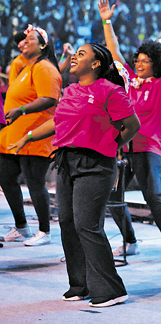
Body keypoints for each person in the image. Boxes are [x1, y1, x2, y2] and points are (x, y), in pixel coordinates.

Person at [11, 43, 140, 307]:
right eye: (75, 53)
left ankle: (111, 289)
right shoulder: (70, 91)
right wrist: (29, 135)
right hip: (66, 160)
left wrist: (111, 144)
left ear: (95, 64)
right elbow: (57, 121)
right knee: (68, 225)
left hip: (95, 164)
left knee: (87, 225)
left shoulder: (110, 90)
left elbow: (132, 125)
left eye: (81, 54)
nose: (73, 56)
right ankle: (80, 285)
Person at [99, 0, 161, 263]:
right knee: (112, 197)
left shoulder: (160, 87)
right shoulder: (130, 81)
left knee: (153, 196)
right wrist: (107, 20)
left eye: (145, 61)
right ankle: (130, 242)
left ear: (156, 63)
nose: (139, 64)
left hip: (147, 148)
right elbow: (115, 51)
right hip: (122, 147)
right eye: (138, 60)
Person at [0, 26, 62, 246]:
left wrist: (22, 110)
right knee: (5, 177)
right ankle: (21, 227)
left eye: (30, 39)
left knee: (35, 183)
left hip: (36, 135)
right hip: (15, 136)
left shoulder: (44, 67)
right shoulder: (27, 67)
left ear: (43, 45)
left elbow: (50, 99)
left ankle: (44, 231)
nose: (24, 42)